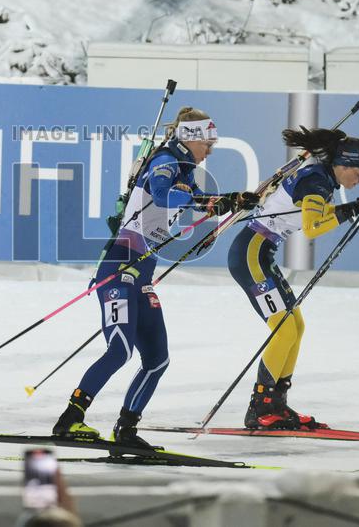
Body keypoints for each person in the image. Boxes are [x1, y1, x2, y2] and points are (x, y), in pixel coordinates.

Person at [52, 107, 258, 448]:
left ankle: (126, 429)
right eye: (208, 143)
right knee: (119, 350)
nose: (210, 151)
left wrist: (231, 200)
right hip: (120, 267)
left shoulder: (185, 170)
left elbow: (195, 202)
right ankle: (70, 418)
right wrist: (210, 201)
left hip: (142, 274)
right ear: (191, 138)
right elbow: (162, 194)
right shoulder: (165, 160)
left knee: (157, 359)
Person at [227, 127, 359, 430]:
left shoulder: (322, 177)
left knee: (296, 327)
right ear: (343, 164)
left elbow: (323, 215)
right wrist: (357, 206)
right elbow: (314, 226)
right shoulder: (316, 180)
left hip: (260, 252)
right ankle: (260, 407)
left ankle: (276, 403)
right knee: (284, 330)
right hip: (251, 253)